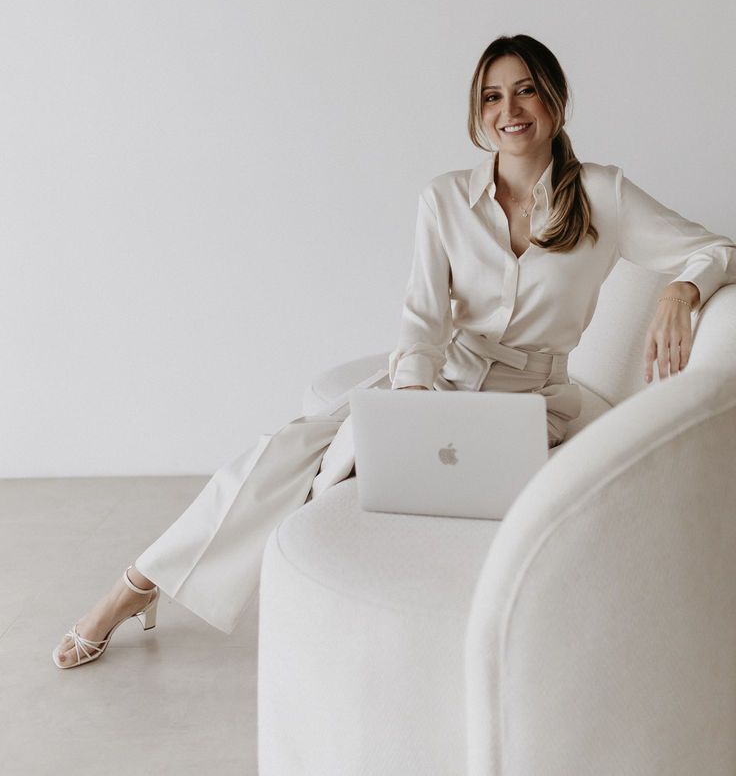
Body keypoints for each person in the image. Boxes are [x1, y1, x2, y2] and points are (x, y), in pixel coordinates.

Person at [53, 33, 736, 668]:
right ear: (478, 111)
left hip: (534, 406)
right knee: (291, 452)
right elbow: (422, 320)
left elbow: (718, 249)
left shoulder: (602, 195)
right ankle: (136, 583)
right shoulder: (444, 199)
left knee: (349, 476)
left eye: (525, 89)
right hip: (435, 385)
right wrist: (412, 400)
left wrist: (681, 286)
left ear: (555, 99)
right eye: (493, 95)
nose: (510, 109)